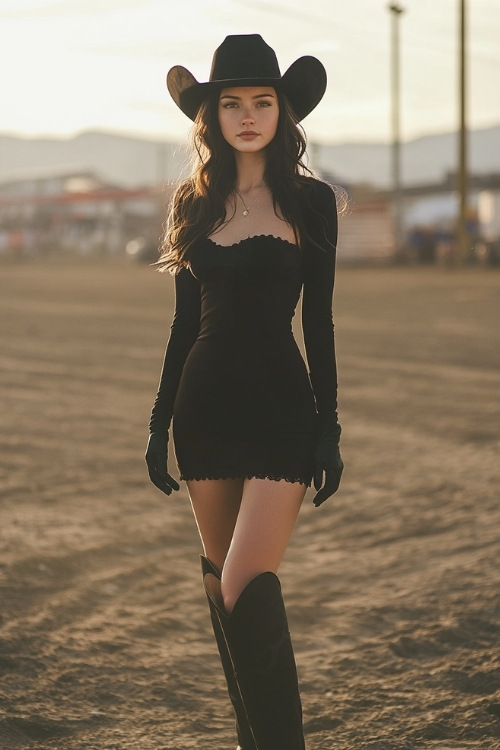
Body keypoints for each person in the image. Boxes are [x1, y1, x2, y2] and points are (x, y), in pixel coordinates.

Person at [145, 33, 344, 750]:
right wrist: (156, 421)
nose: (249, 115)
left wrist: (329, 428)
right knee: (219, 594)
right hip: (204, 414)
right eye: (233, 103)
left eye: (263, 101)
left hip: (280, 413)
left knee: (243, 587)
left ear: (284, 113)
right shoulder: (192, 202)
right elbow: (181, 326)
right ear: (214, 116)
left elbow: (318, 323)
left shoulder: (312, 203)